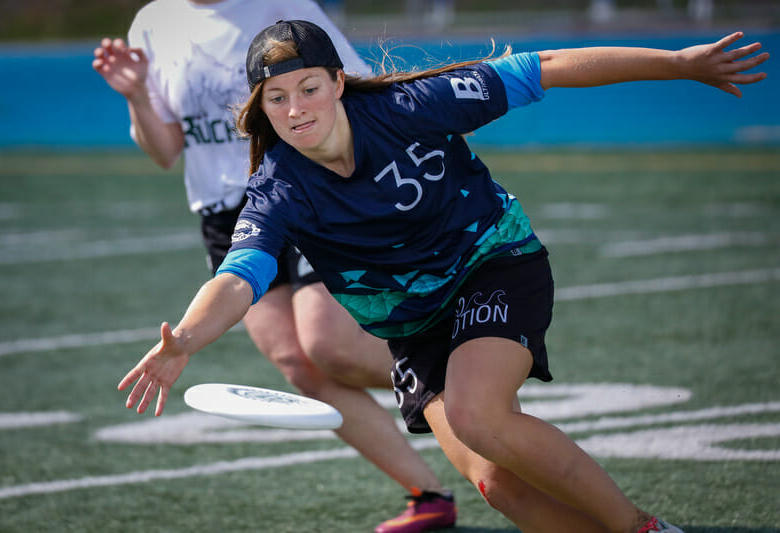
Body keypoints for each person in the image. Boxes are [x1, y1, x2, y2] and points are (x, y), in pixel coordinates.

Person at [117, 19, 769, 533]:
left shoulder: (412, 105)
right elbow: (240, 276)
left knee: (478, 414)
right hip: (411, 326)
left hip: (494, 265)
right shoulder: (276, 189)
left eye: (308, 87)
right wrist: (187, 341)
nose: (295, 109)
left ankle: (642, 527)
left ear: (339, 83)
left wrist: (679, 65)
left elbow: (546, 68)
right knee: (497, 483)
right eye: (277, 98)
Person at [92, 3, 458, 532]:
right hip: (227, 216)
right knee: (300, 366)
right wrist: (134, 96)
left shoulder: (279, 7)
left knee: (327, 342)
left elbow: (351, 87)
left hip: (305, 190)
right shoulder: (153, 20)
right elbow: (166, 150)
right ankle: (429, 495)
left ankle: (471, 388)